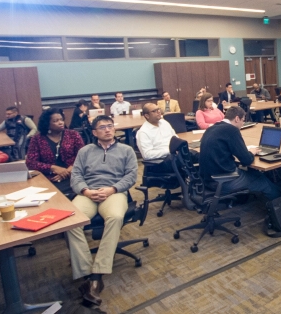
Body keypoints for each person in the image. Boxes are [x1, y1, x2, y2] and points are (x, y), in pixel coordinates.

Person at [67, 115, 138, 306]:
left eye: (110, 126)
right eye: (102, 127)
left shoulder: (127, 150)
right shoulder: (85, 151)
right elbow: (76, 176)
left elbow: (131, 176)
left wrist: (113, 189)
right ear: (94, 132)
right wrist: (86, 191)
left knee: (115, 217)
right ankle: (86, 273)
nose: (107, 129)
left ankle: (98, 273)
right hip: (88, 193)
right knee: (71, 220)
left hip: (114, 192)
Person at [199, 106, 281, 200]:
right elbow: (246, 160)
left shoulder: (212, 128)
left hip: (207, 179)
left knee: (254, 174)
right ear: (237, 118)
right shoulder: (232, 130)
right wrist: (251, 152)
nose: (243, 124)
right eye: (243, 120)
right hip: (223, 180)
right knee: (262, 180)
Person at [26, 108, 85, 194]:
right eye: (55, 121)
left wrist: (67, 171)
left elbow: (82, 156)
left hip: (72, 176)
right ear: (47, 124)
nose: (60, 122)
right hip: (47, 178)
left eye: (61, 119)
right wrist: (52, 168)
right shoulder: (37, 139)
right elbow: (30, 162)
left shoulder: (73, 135)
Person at [136, 103, 176, 172]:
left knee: (197, 155)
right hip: (160, 162)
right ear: (147, 116)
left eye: (158, 109)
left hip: (174, 155)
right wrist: (169, 151)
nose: (159, 112)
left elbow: (175, 138)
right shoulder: (143, 132)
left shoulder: (164, 123)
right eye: (154, 111)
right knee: (184, 162)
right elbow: (147, 155)